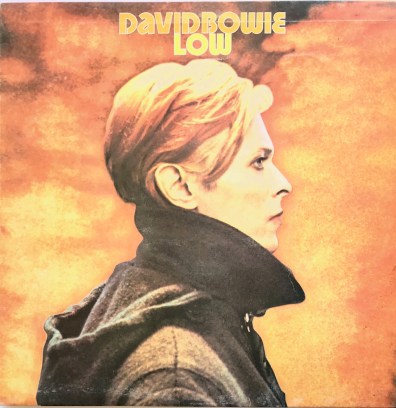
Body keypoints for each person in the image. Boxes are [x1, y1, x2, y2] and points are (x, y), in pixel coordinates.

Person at [36, 59, 305, 406]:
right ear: (179, 186)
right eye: (258, 162)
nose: (283, 184)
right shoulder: (175, 381)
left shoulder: (179, 303)